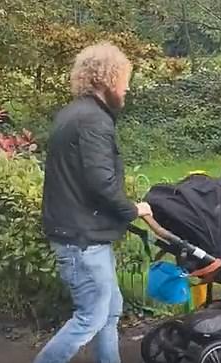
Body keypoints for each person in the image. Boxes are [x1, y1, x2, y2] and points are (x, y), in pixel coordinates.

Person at [35, 42, 152, 363]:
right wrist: (133, 210)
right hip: (82, 242)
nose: (127, 87)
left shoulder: (74, 114)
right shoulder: (93, 122)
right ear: (107, 78)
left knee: (109, 314)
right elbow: (102, 182)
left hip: (82, 234)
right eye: (124, 78)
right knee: (90, 317)